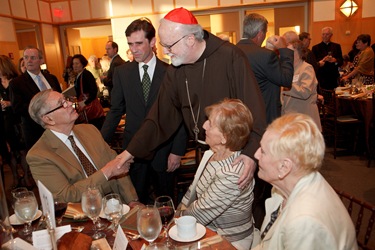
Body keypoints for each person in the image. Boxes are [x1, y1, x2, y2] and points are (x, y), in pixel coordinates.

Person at [108, 7, 267, 191]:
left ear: (190, 39)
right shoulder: (176, 69)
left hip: (235, 156)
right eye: (163, 46)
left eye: (169, 46)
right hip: (204, 155)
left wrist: (250, 154)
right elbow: (159, 117)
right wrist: (128, 154)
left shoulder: (230, 56)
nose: (165, 52)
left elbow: (255, 111)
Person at [101, 18, 187, 204]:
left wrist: (177, 151)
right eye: (130, 44)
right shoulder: (122, 73)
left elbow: (180, 115)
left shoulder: (172, 71)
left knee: (166, 201)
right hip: (134, 150)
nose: (134, 49)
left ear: (153, 42)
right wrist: (100, 143)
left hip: (164, 150)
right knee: (136, 201)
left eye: (139, 43)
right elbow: (116, 110)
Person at [253, 113, 357, 249]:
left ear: (284, 167)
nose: (256, 154)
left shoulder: (304, 222)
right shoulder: (291, 181)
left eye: (263, 151)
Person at [27, 89, 139, 205]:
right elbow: (64, 198)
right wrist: (107, 172)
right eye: (62, 104)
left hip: (118, 205)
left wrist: (132, 201)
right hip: (85, 216)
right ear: (48, 119)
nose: (70, 103)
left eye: (66, 99)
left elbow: (118, 167)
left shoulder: (89, 130)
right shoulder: (39, 155)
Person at [236, 13, 293, 229]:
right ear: (261, 33)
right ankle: (264, 223)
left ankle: (246, 218)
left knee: (242, 173)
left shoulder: (231, 52)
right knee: (264, 176)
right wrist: (285, 48)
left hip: (239, 124)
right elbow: (285, 80)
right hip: (264, 122)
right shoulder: (264, 56)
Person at [178, 99, 255, 249]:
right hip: (208, 232)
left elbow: (200, 213)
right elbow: (192, 191)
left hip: (229, 241)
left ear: (224, 137)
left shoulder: (232, 173)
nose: (204, 125)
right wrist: (178, 212)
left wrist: (176, 222)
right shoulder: (210, 154)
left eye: (210, 123)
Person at [9, 47, 62, 187]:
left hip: (58, 128)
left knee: (61, 163)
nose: (29, 61)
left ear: (41, 60)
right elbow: (17, 108)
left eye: (33, 57)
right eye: (26, 58)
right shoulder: (17, 83)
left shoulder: (51, 78)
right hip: (35, 131)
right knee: (44, 168)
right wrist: (41, 110)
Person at [281, 40, 322, 131]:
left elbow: (305, 92)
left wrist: (286, 84)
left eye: (290, 51)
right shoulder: (289, 70)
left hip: (304, 118)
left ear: (298, 52)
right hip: (291, 117)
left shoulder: (306, 68)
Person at [0, 55, 25, 188]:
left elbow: (23, 101)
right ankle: (15, 177)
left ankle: (26, 176)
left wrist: (10, 103)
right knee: (10, 153)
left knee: (22, 151)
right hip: (5, 121)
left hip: (17, 120)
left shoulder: (16, 82)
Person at [72, 54, 104, 130]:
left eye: (77, 63)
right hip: (85, 106)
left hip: (91, 108)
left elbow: (93, 91)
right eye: (73, 64)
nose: (74, 66)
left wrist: (84, 103)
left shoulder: (87, 74)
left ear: (82, 64)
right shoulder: (78, 76)